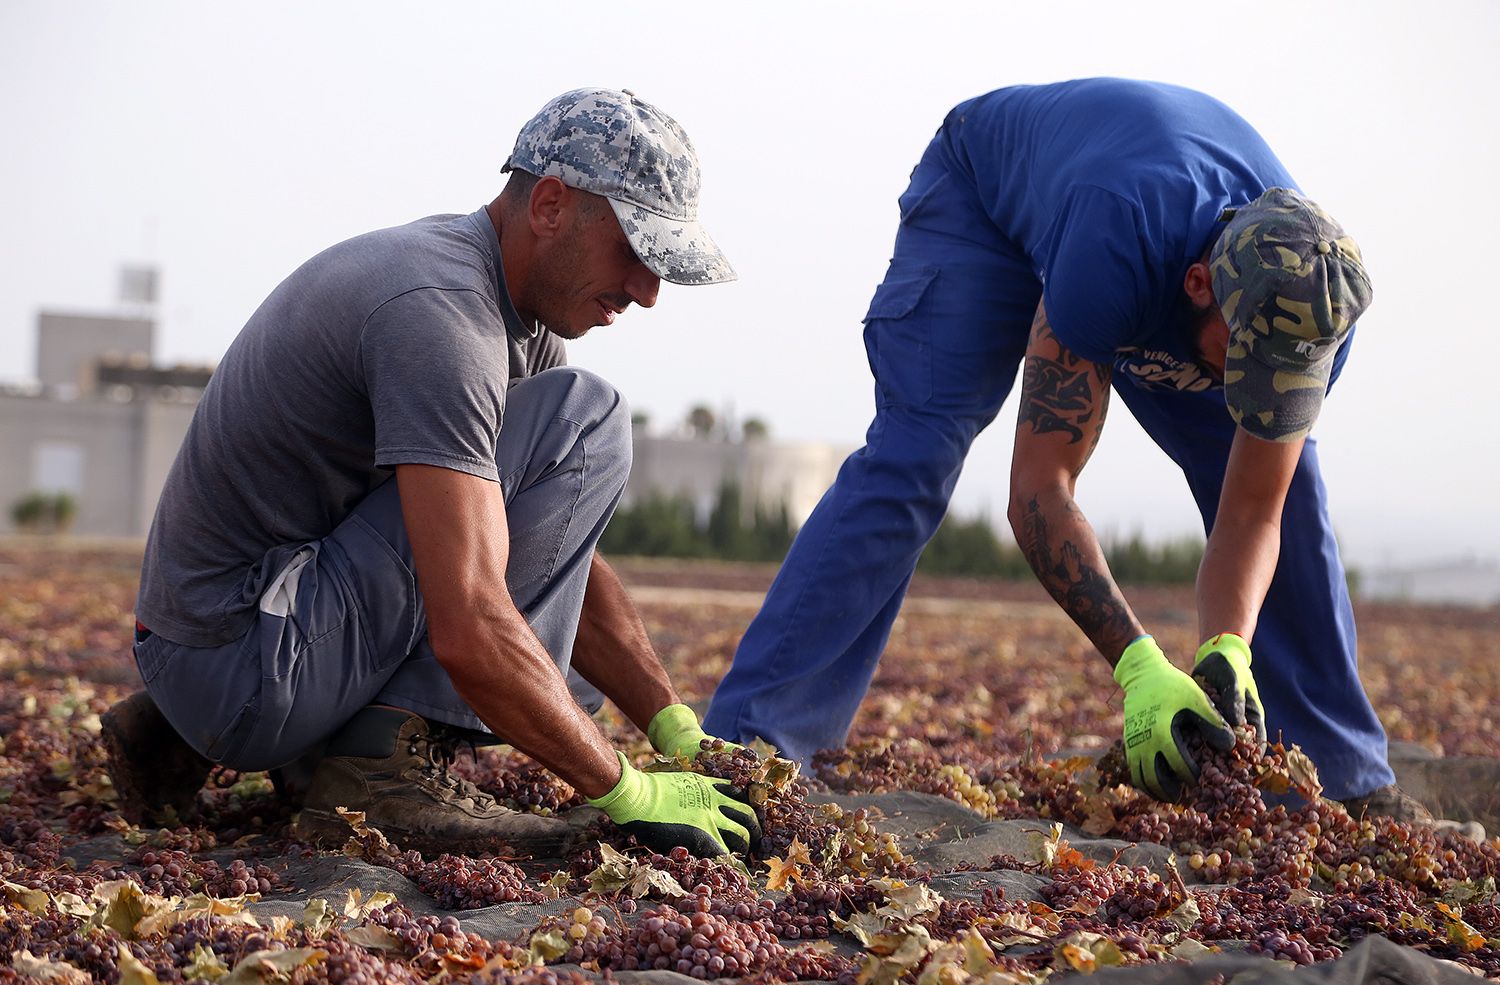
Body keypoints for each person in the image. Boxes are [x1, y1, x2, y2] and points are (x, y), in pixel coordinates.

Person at [704, 78, 1421, 818]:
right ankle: (755, 745)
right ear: (1201, 286)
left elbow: (1255, 514)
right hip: (983, 202)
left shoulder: (1313, 311)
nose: (1253, 387)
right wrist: (1138, 664)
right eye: (1243, 363)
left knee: (1294, 494)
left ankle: (1342, 774)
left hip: (1138, 238)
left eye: (1276, 378)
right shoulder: (1121, 245)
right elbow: (1041, 491)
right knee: (915, 456)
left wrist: (1226, 648)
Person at [101, 88, 760, 860]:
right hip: (244, 666)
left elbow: (548, 555)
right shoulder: (442, 314)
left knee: (551, 649)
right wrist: (625, 788)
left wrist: (671, 726)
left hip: (221, 647)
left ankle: (183, 736)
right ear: (550, 204)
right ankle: (381, 777)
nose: (648, 292)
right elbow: (474, 621)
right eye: (636, 253)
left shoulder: (511, 316)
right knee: (587, 421)